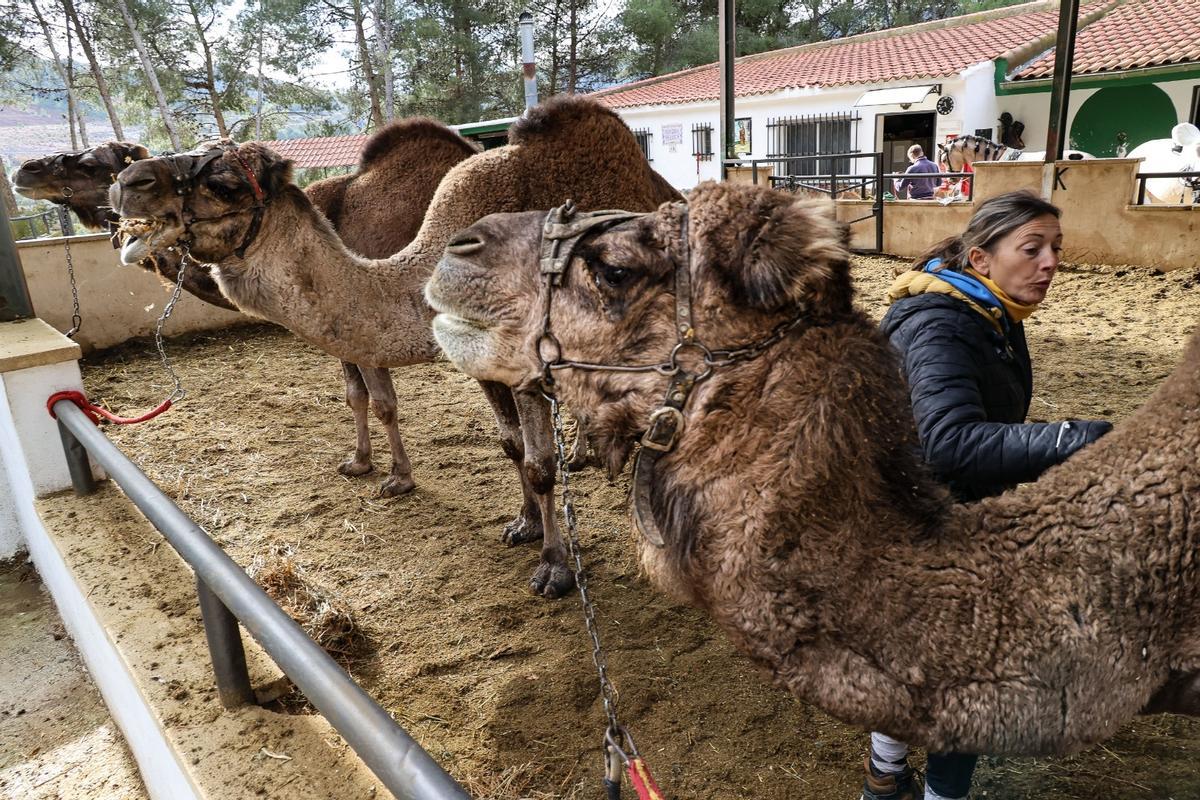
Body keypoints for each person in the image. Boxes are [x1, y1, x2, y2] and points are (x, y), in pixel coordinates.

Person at [860, 190, 1112, 800]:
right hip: (927, 522)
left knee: (916, 660)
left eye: (1056, 248)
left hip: (934, 510)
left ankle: (884, 776)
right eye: (1032, 248)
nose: (1050, 263)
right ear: (980, 258)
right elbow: (950, 442)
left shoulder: (988, 310)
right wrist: (1076, 439)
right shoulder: (942, 324)